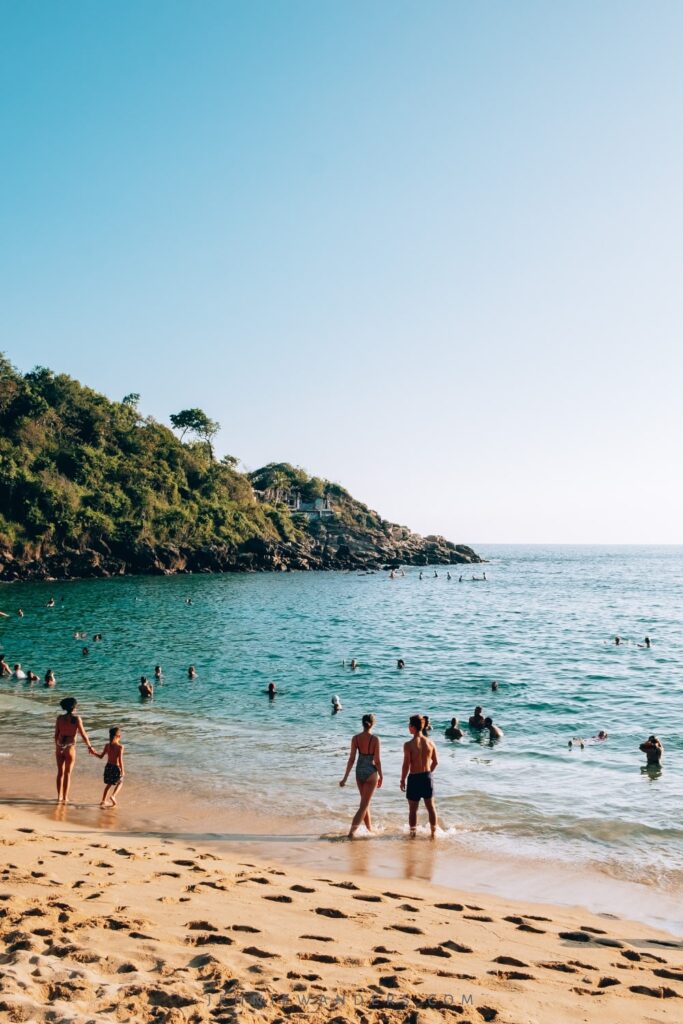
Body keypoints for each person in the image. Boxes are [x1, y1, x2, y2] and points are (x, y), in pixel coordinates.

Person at [339, 713, 383, 838]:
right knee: (363, 806)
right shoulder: (375, 739)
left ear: (362, 723)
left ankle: (369, 829)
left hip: (359, 773)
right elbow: (377, 761)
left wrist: (345, 778)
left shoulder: (355, 738)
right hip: (371, 773)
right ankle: (351, 834)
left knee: (365, 803)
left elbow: (351, 759)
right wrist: (381, 775)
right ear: (373, 724)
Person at [401, 715, 438, 838]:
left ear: (413, 727)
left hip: (414, 778)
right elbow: (436, 762)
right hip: (427, 777)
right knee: (431, 808)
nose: (408, 727)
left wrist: (402, 780)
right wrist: (428, 774)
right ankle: (434, 834)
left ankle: (413, 834)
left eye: (409, 725)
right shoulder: (430, 742)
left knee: (413, 810)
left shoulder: (409, 744)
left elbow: (406, 765)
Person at [54, 697, 94, 803]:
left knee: (60, 773)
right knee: (67, 773)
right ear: (74, 707)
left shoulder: (59, 718)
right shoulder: (76, 719)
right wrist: (90, 746)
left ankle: (59, 797)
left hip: (59, 746)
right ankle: (65, 797)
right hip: (70, 747)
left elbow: (56, 735)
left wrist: (58, 747)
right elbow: (83, 734)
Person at [92, 727, 125, 807]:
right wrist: (123, 771)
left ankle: (103, 801)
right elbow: (120, 760)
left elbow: (101, 756)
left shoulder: (107, 745)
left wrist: (94, 752)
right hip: (116, 768)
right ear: (119, 736)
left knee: (108, 785)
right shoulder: (120, 747)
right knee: (120, 782)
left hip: (108, 767)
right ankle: (113, 796)